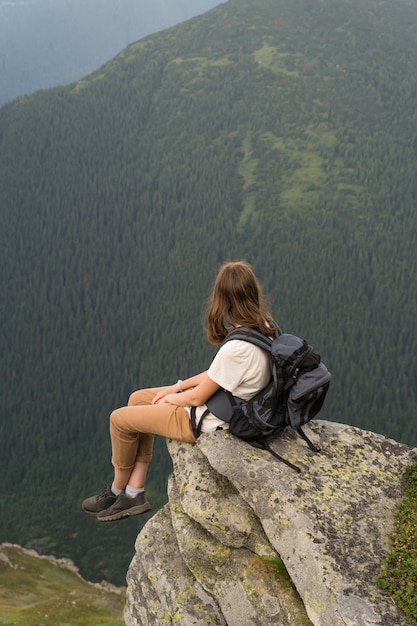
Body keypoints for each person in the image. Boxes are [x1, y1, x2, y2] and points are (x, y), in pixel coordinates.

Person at [82, 260, 277, 522]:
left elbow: (198, 398)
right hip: (229, 405)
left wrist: (171, 398)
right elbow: (216, 375)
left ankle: (118, 489)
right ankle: (134, 491)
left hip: (210, 421)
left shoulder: (237, 349)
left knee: (119, 419)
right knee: (137, 399)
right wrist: (177, 386)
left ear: (222, 299)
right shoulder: (264, 326)